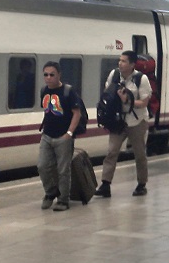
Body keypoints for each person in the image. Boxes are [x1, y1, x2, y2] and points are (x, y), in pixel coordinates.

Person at [94, 50, 151, 198]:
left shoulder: (141, 79)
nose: (120, 63)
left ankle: (141, 184)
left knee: (139, 154)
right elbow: (107, 92)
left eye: (124, 61)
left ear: (132, 64)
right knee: (112, 151)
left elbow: (144, 103)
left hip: (137, 121)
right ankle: (105, 184)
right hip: (118, 121)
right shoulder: (114, 75)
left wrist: (127, 100)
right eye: (119, 60)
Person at [37, 62, 82, 212]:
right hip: (47, 135)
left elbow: (77, 113)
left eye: (52, 74)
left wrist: (69, 133)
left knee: (63, 170)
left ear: (59, 75)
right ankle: (50, 192)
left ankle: (63, 200)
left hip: (63, 136)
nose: (48, 78)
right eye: (46, 75)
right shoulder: (44, 90)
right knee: (42, 166)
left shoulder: (68, 91)